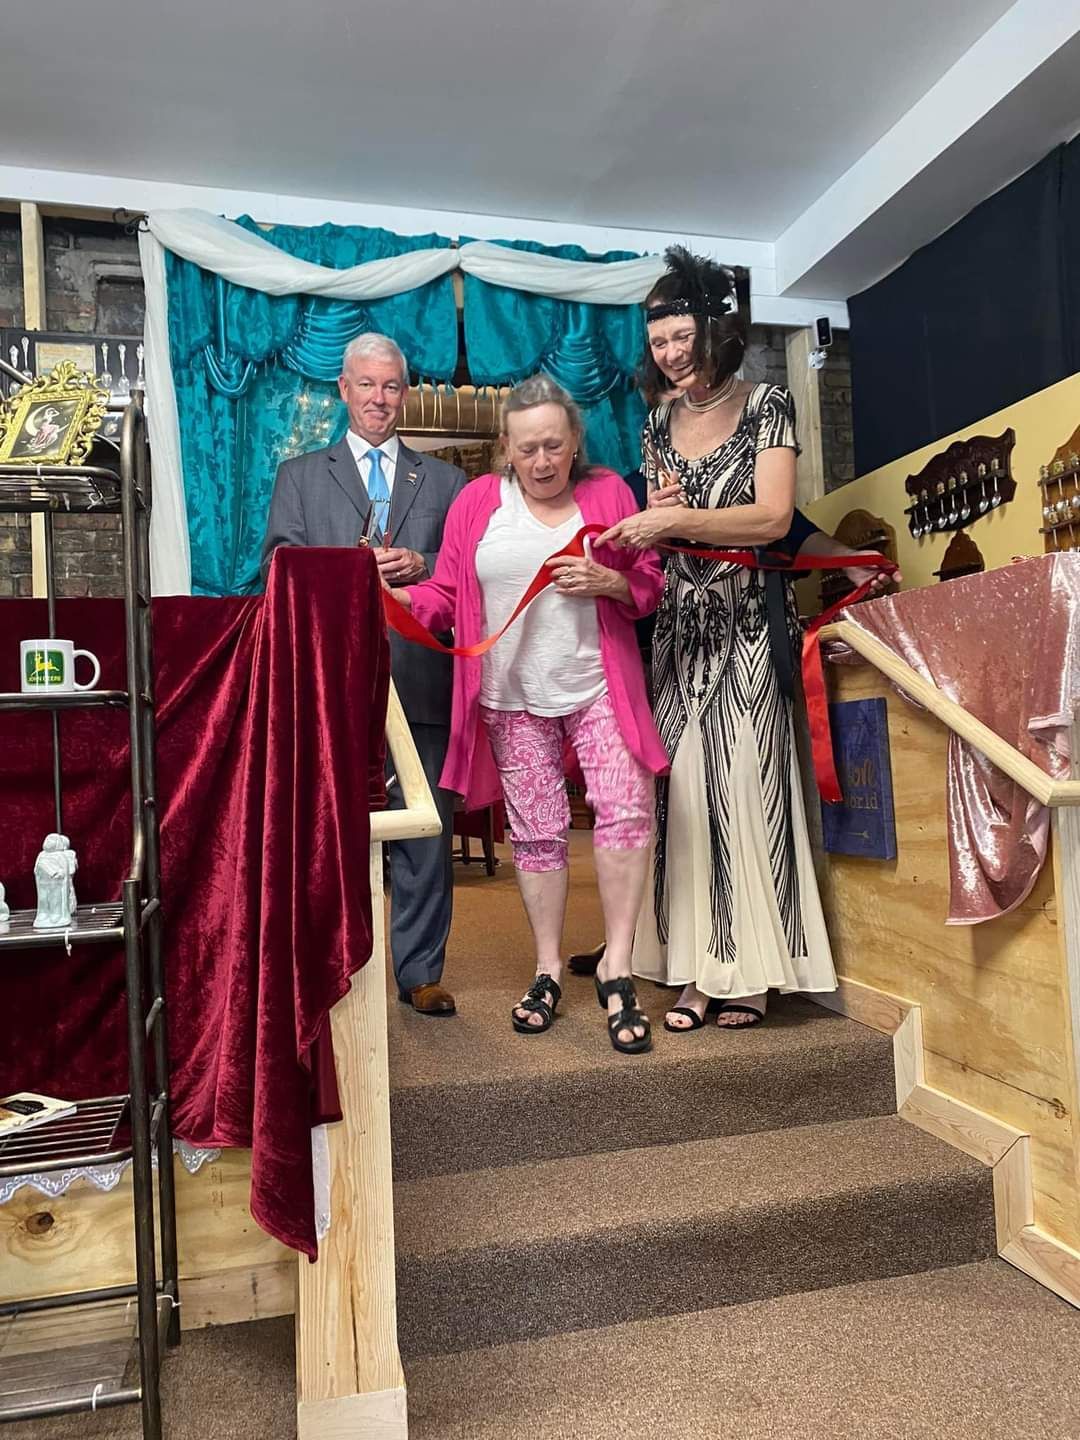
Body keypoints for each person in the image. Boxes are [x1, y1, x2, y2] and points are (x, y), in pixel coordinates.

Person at [598, 247, 838, 1029]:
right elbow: (671, 534)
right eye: (659, 340)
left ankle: (752, 973)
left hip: (746, 626)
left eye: (682, 336)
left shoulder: (770, 403)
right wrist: (649, 525)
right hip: (677, 635)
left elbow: (772, 518)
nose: (670, 353)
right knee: (688, 799)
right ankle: (697, 967)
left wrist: (672, 517)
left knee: (748, 790)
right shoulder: (655, 422)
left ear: (716, 330)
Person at [392, 375, 668, 1053]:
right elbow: (447, 594)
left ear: (574, 441)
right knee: (537, 832)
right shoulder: (478, 502)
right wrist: (388, 595)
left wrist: (611, 582)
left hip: (598, 685)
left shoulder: (608, 493)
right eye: (527, 449)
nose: (542, 461)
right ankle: (546, 968)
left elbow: (650, 583)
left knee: (627, 808)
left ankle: (618, 968)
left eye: (553, 445)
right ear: (505, 451)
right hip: (510, 696)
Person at [261, 333, 466, 1016]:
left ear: (405, 393)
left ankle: (420, 974)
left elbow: (470, 571)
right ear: (343, 390)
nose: (379, 398)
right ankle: (330, 973)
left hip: (421, 678)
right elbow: (276, 570)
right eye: (367, 385)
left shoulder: (446, 481)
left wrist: (424, 564)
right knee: (331, 832)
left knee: (427, 832)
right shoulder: (299, 476)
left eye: (391, 386)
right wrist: (347, 568)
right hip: (331, 685)